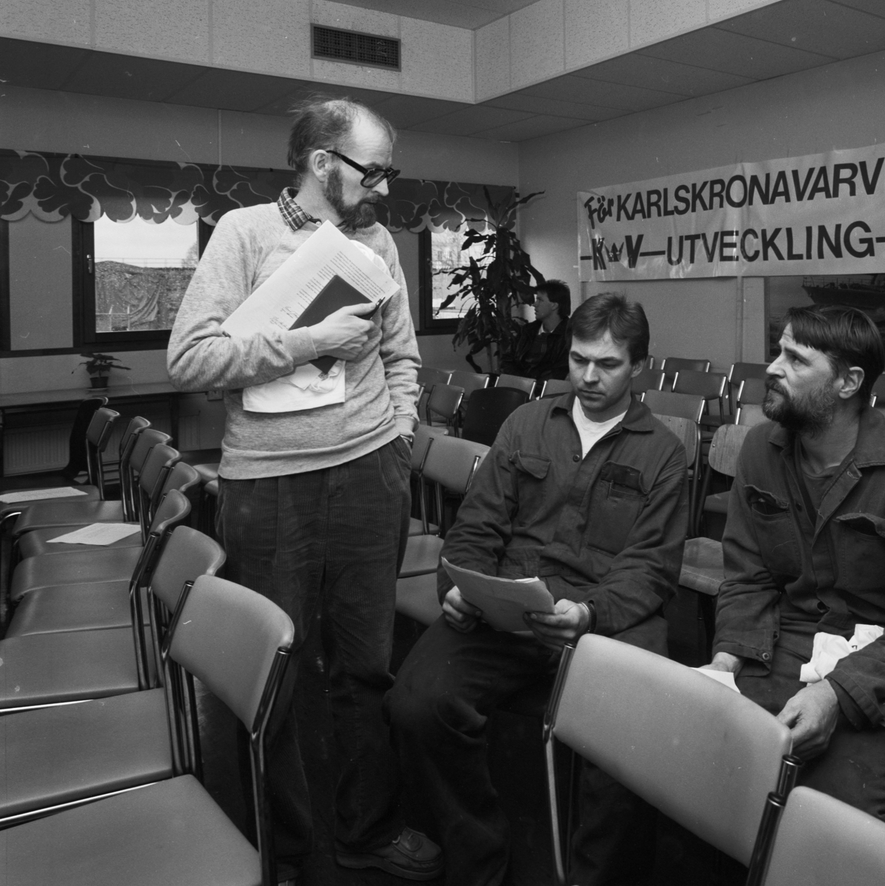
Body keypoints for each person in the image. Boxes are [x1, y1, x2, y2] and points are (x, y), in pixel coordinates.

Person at [167, 95, 440, 882]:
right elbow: (189, 360)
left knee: (366, 665)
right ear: (322, 162)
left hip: (370, 474)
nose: (383, 186)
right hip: (270, 485)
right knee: (278, 670)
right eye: (372, 170)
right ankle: (284, 847)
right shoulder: (245, 233)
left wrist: (398, 431)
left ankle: (365, 831)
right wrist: (308, 341)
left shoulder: (377, 241)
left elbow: (401, 354)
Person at [387, 293, 688, 886]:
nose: (589, 377)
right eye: (578, 360)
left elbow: (651, 568)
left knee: (629, 745)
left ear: (640, 366)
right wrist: (457, 586)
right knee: (414, 705)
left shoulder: (663, 452)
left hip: (609, 616)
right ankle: (480, 856)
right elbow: (475, 527)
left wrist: (589, 612)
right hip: (510, 605)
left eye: (608, 364)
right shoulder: (527, 424)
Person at [707, 305, 885, 826]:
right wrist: (725, 664)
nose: (773, 368)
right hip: (782, 647)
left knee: (837, 819)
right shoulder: (759, 449)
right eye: (778, 351)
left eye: (796, 359)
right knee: (704, 768)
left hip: (884, 667)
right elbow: (748, 578)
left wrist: (834, 694)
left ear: (848, 383)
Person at [498, 278, 572, 381]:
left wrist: (530, 385)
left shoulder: (570, 335)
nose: (534, 304)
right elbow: (507, 360)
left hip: (546, 389)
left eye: (540, 300)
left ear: (554, 305)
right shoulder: (527, 330)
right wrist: (522, 383)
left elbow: (559, 372)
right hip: (518, 386)